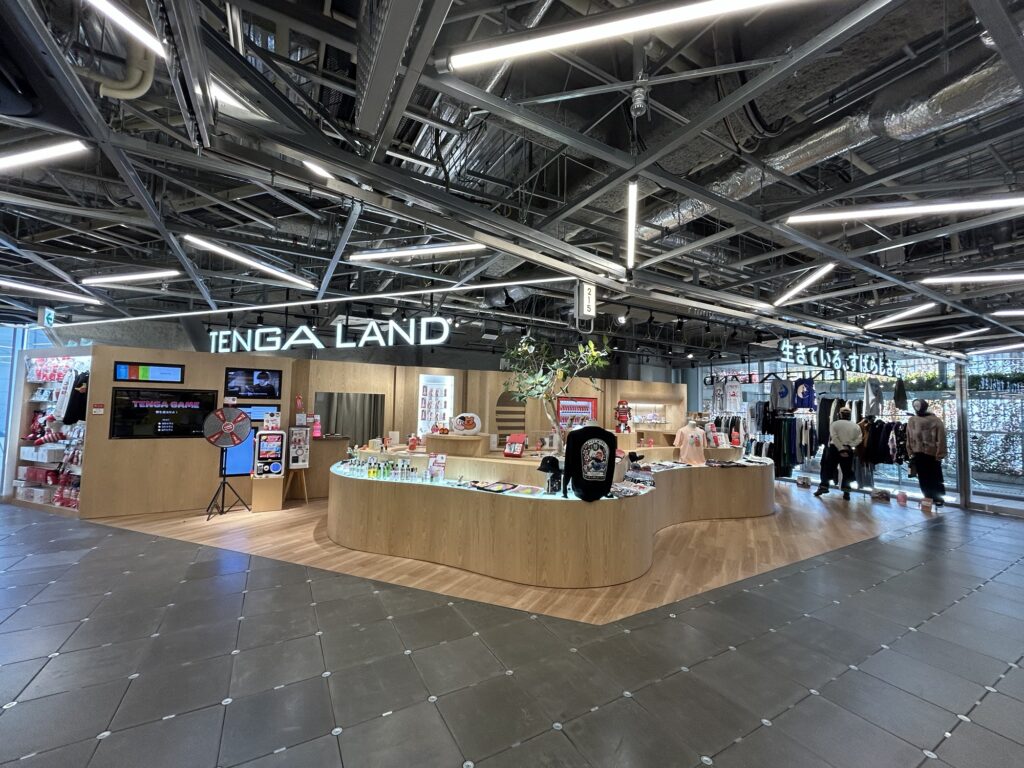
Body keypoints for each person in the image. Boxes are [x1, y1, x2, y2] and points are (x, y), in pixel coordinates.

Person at [815, 406, 862, 500]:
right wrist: (848, 445)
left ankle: (823, 487)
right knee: (846, 471)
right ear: (849, 415)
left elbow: (834, 437)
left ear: (840, 414)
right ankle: (846, 492)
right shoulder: (855, 426)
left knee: (828, 469)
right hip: (848, 449)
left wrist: (840, 448)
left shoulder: (835, 424)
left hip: (835, 448)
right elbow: (859, 439)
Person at [907, 398, 947, 506]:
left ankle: (938, 498)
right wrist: (910, 450)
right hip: (918, 453)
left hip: (932, 454)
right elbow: (909, 437)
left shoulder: (935, 420)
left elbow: (941, 438)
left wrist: (940, 453)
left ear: (924, 406)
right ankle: (927, 498)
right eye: (915, 406)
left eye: (918, 405)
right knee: (923, 478)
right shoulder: (912, 420)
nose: (917, 408)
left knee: (935, 476)